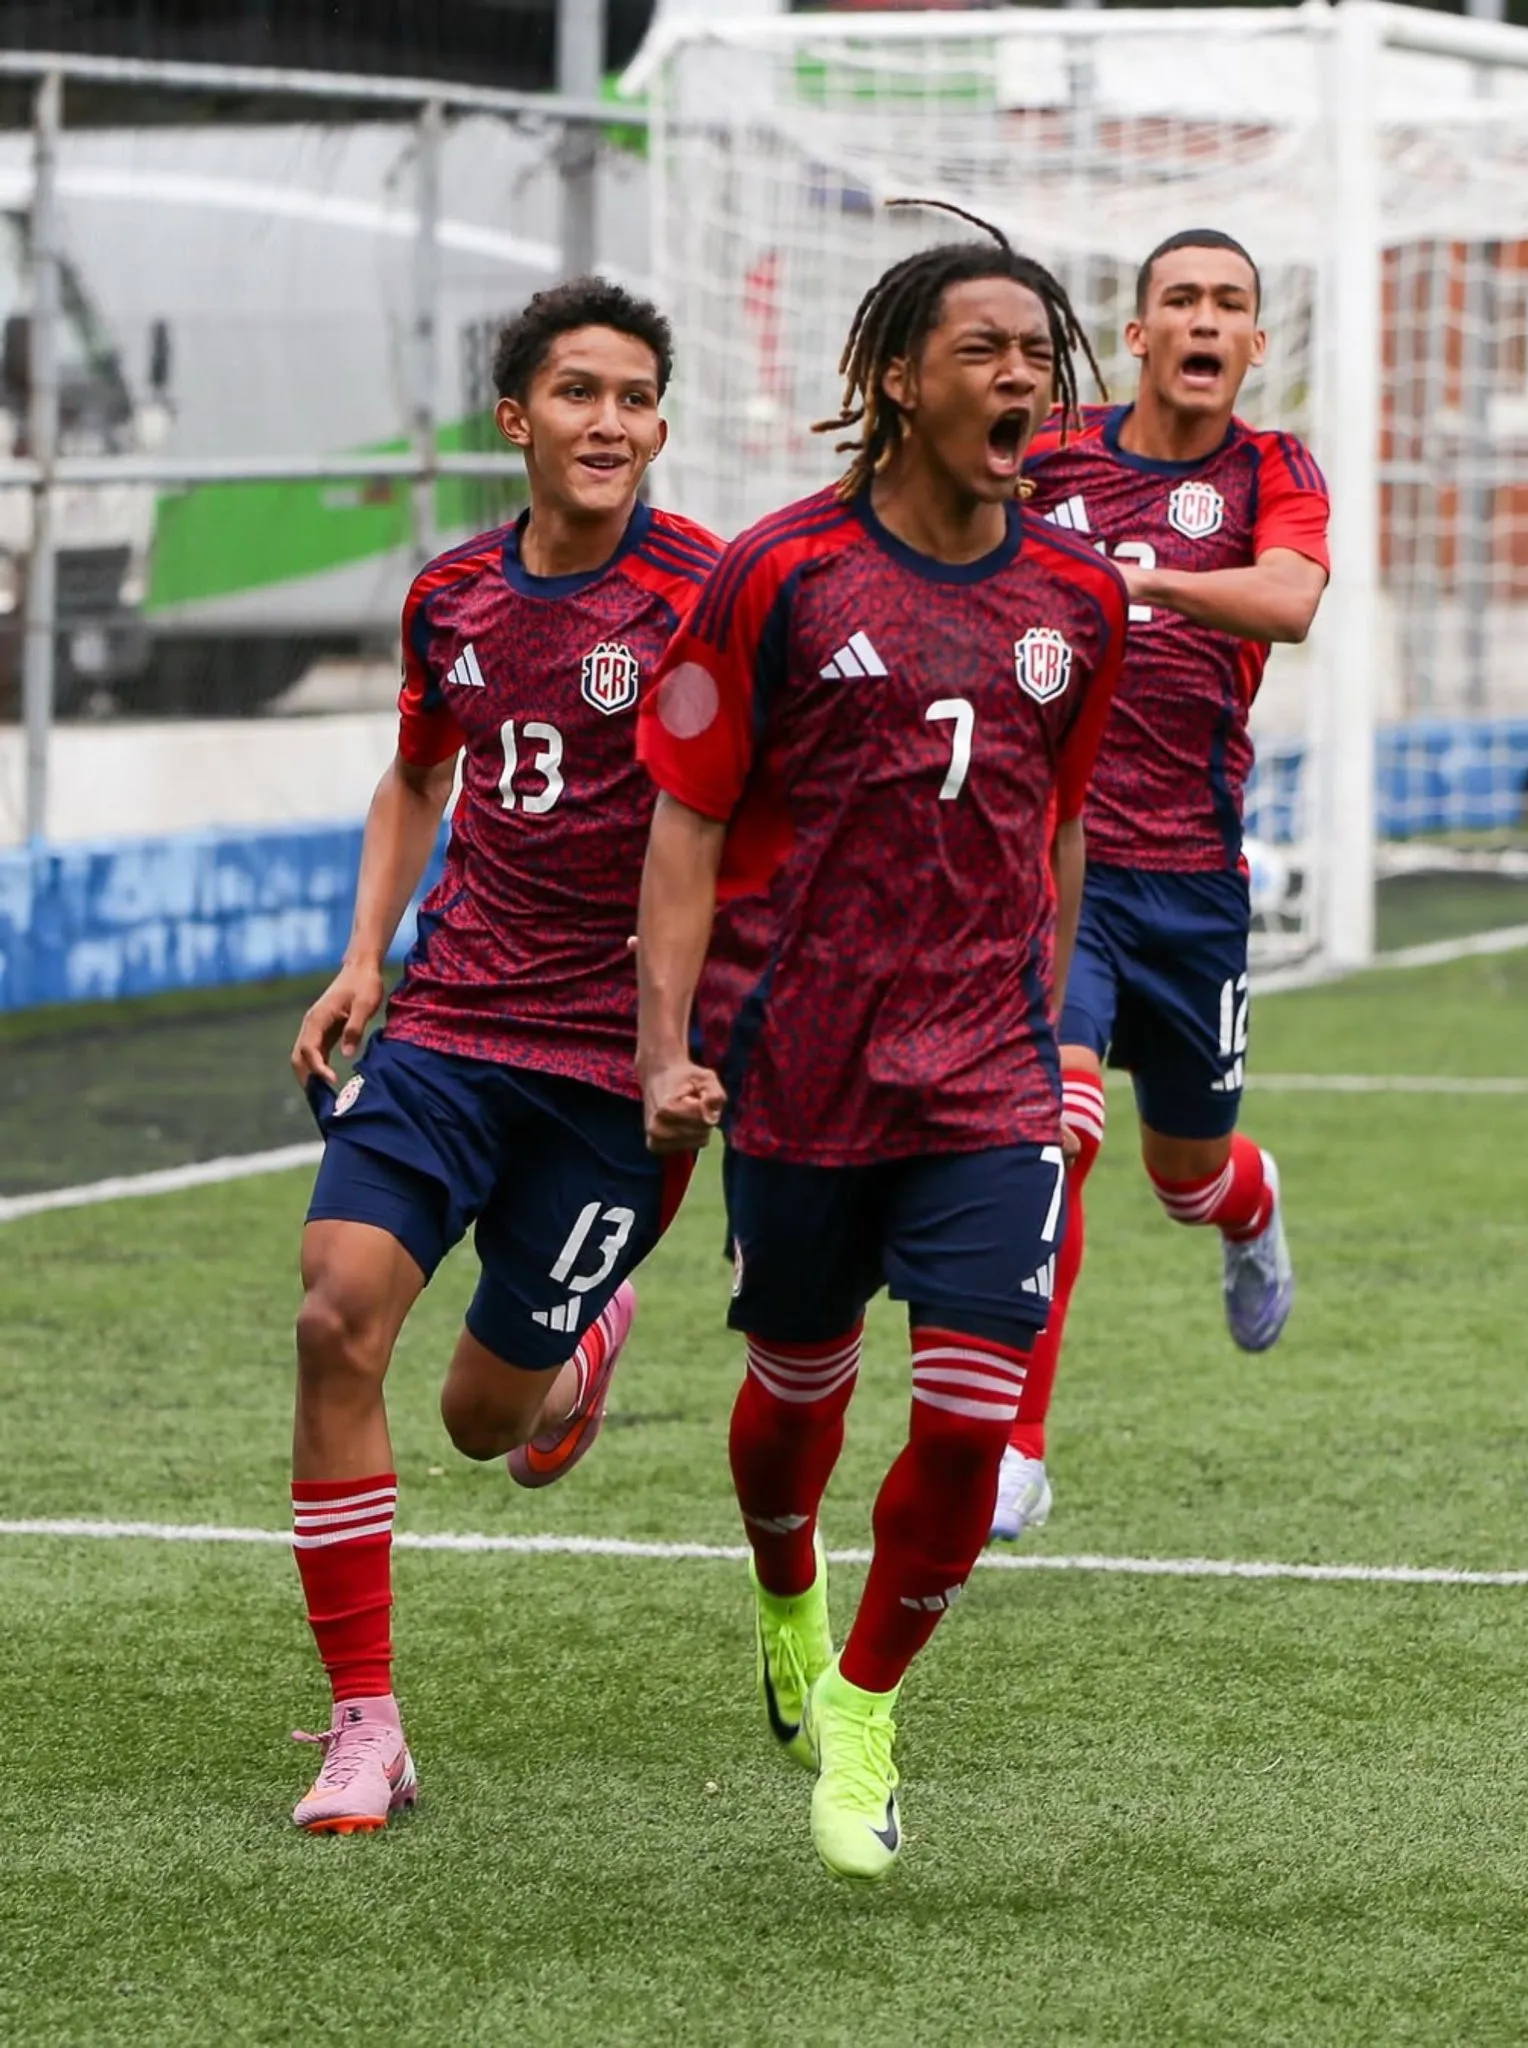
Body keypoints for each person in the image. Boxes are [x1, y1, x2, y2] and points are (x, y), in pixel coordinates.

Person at [633, 207, 1129, 1882]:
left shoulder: (1078, 594)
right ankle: (786, 1584)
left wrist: (1063, 1032)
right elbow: (686, 826)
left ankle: (863, 1706)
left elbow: (1055, 828)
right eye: (983, 351)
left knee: (973, 1423)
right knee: (792, 1395)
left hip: (987, 1068)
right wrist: (660, 1049)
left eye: (1038, 357)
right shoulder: (774, 574)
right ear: (899, 381)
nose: (1022, 378)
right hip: (798, 1065)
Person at [284, 278, 720, 1833]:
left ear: (661, 427)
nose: (611, 422)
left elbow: (770, 813)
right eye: (581, 394)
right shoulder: (452, 595)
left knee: (484, 1418)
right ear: (515, 420)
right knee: (337, 1317)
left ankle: (581, 1349)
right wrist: (361, 959)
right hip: (455, 1024)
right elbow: (415, 773)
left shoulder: (710, 596)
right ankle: (365, 1722)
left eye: (636, 399)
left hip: (622, 1068)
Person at [990, 228, 1330, 1543]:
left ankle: (1248, 1208)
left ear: (1252, 344)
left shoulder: (1272, 469)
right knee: (1053, 1126)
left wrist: (1141, 584)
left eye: (1228, 304)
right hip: (1050, 860)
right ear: (1134, 335)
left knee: (1182, 1174)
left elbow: (1292, 600)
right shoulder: (1050, 445)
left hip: (1192, 880)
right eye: (1178, 300)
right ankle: (1018, 1445)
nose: (1203, 319)